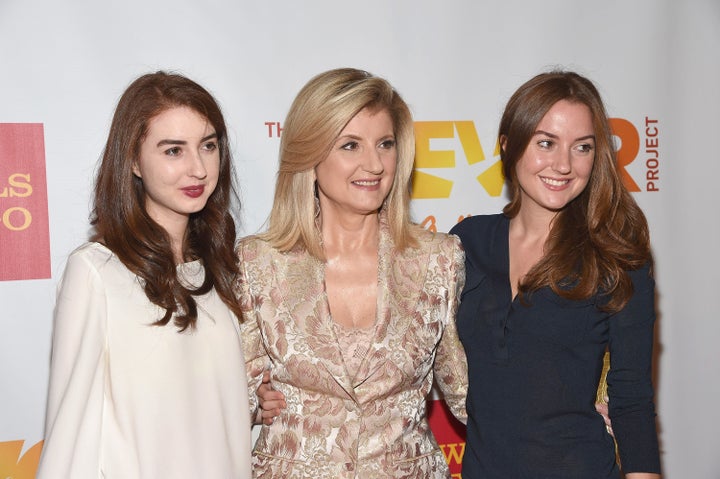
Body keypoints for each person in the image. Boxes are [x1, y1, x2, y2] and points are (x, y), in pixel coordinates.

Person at [235, 67, 467, 478]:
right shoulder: (258, 263)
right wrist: (253, 401)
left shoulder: (438, 259)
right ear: (310, 155)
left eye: (385, 144)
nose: (374, 164)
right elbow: (233, 391)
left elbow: (466, 393)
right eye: (350, 145)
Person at [36, 71, 252, 478]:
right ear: (133, 160)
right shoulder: (96, 272)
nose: (198, 169)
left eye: (208, 146)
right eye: (173, 151)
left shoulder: (219, 267)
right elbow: (69, 432)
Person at [450, 70, 661, 478]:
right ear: (508, 145)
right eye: (546, 143)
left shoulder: (618, 255)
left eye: (582, 147)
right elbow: (404, 346)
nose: (563, 165)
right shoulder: (466, 243)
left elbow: (632, 398)